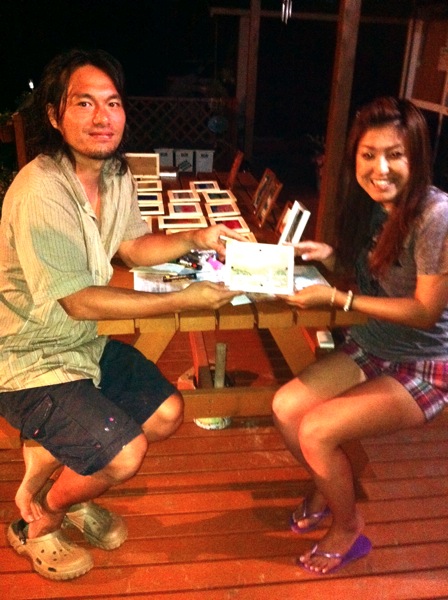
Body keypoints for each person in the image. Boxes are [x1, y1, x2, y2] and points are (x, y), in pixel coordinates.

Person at [0, 48, 244, 580]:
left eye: (112, 103)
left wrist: (196, 237)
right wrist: (182, 300)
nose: (101, 117)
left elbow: (132, 247)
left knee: (166, 413)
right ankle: (39, 521)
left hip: (79, 345)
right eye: (83, 103)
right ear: (54, 115)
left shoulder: (113, 174)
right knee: (125, 454)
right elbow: (78, 300)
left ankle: (74, 486)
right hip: (29, 361)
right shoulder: (42, 189)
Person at [272, 96, 448, 575]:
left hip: (425, 364)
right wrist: (329, 257)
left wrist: (338, 300)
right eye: (368, 155)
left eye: (395, 154)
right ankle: (329, 486)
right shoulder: (375, 206)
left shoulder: (435, 215)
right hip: (373, 346)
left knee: (317, 429)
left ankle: (348, 527)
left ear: (417, 157)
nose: (380, 168)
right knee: (286, 408)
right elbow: (373, 277)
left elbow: (425, 312)